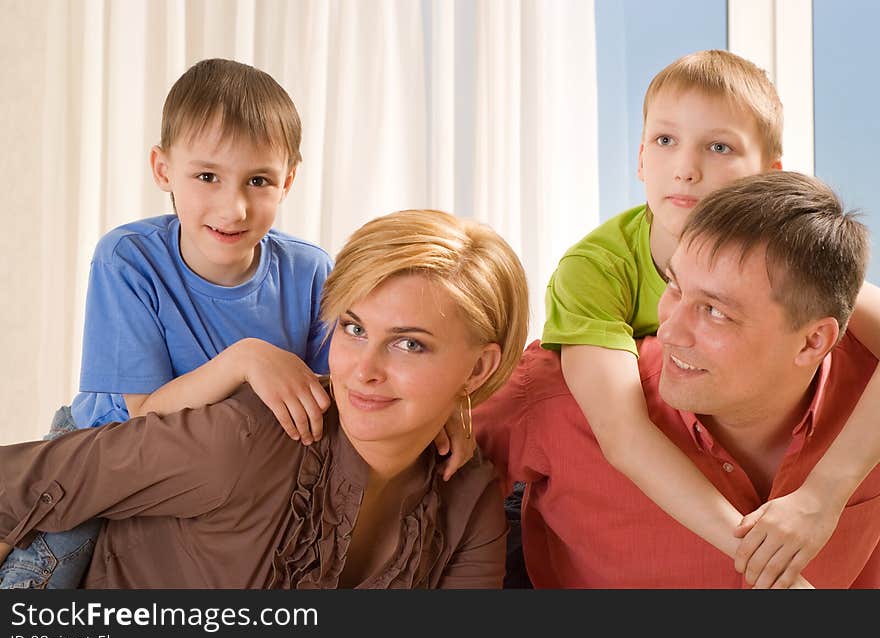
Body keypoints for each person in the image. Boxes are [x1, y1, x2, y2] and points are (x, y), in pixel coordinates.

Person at [0, 59, 471, 589]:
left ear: (288, 181)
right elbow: (145, 418)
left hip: (229, 476)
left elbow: (344, 388)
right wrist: (245, 359)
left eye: (258, 181)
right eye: (207, 177)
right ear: (162, 170)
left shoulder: (311, 270)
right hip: (106, 446)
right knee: (38, 581)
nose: (235, 206)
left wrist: (436, 411)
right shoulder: (127, 259)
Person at [0, 209, 530, 589]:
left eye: (409, 344)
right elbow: (17, 486)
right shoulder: (240, 440)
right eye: (352, 329)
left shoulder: (467, 498)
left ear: (478, 368)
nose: (363, 371)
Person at [542, 49, 880, 588]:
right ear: (639, 159)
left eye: (718, 146)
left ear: (770, 177)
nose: (686, 168)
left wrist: (823, 495)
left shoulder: (788, 262)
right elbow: (623, 433)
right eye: (664, 140)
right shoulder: (595, 269)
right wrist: (773, 568)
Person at [477, 171, 880, 588]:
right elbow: (423, 486)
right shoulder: (559, 395)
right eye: (673, 286)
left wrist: (827, 491)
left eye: (715, 312)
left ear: (813, 341)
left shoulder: (866, 400)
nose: (668, 331)